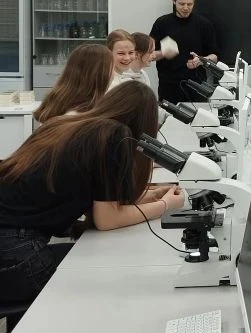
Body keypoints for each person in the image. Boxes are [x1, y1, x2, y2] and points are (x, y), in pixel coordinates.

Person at [0, 83, 185, 304]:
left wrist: (151, 196)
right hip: (16, 252)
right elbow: (107, 219)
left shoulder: (67, 124)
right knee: (104, 273)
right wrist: (165, 206)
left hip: (10, 244)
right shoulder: (115, 134)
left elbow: (101, 201)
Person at [149, 0, 218, 104]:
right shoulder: (162, 23)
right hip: (168, 87)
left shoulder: (204, 24)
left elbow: (215, 56)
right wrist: (163, 52)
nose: (186, 8)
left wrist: (202, 60)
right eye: (182, 4)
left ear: (194, 3)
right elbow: (149, 55)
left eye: (189, 4)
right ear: (174, 1)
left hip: (197, 87)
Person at [34, 44, 113, 124]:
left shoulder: (57, 104)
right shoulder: (78, 117)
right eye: (112, 68)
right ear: (99, 75)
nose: (113, 74)